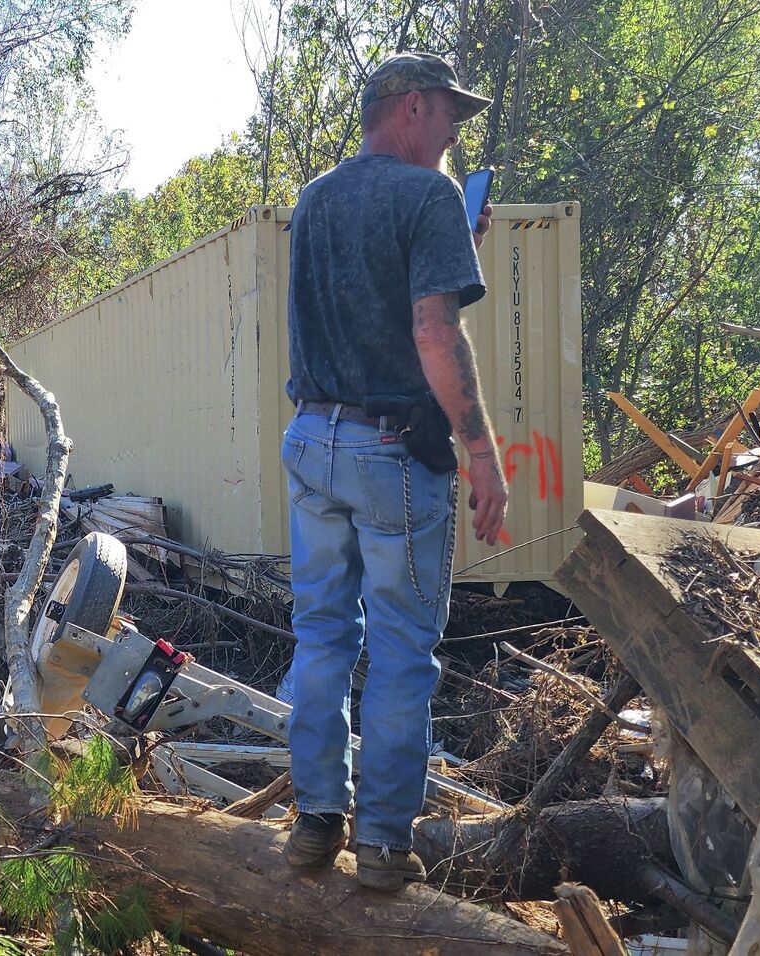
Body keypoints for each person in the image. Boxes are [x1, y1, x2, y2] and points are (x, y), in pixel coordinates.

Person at [278, 52, 507, 891]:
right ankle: (380, 844)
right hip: (390, 452)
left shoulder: (315, 199)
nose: (455, 132)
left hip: (310, 442)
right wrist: (481, 453)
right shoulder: (428, 194)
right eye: (451, 113)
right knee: (404, 647)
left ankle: (312, 825)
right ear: (410, 108)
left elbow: (354, 301)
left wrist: (456, 246)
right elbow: (434, 336)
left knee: (322, 637)